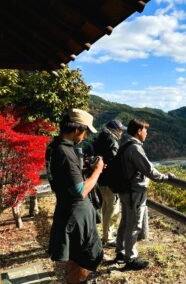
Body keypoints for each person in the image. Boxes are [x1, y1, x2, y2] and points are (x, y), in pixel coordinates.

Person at [45, 109, 104, 283]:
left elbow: (66, 178)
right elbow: (80, 191)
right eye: (85, 131)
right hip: (76, 216)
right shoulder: (66, 152)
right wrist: (98, 171)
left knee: (75, 257)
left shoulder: (55, 146)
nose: (85, 136)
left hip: (67, 211)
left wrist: (86, 170)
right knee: (85, 257)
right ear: (78, 129)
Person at [115, 118, 172, 270]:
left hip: (125, 190)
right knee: (134, 226)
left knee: (125, 222)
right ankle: (131, 258)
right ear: (139, 131)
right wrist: (166, 177)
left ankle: (120, 252)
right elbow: (149, 170)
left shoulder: (125, 144)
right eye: (145, 130)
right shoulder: (135, 148)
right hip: (135, 192)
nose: (147, 133)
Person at [93, 119, 126, 247]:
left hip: (101, 179)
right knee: (112, 209)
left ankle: (107, 234)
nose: (121, 132)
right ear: (114, 130)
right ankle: (108, 238)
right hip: (110, 181)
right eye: (120, 129)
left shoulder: (101, 138)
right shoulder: (112, 141)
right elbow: (115, 162)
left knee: (106, 208)